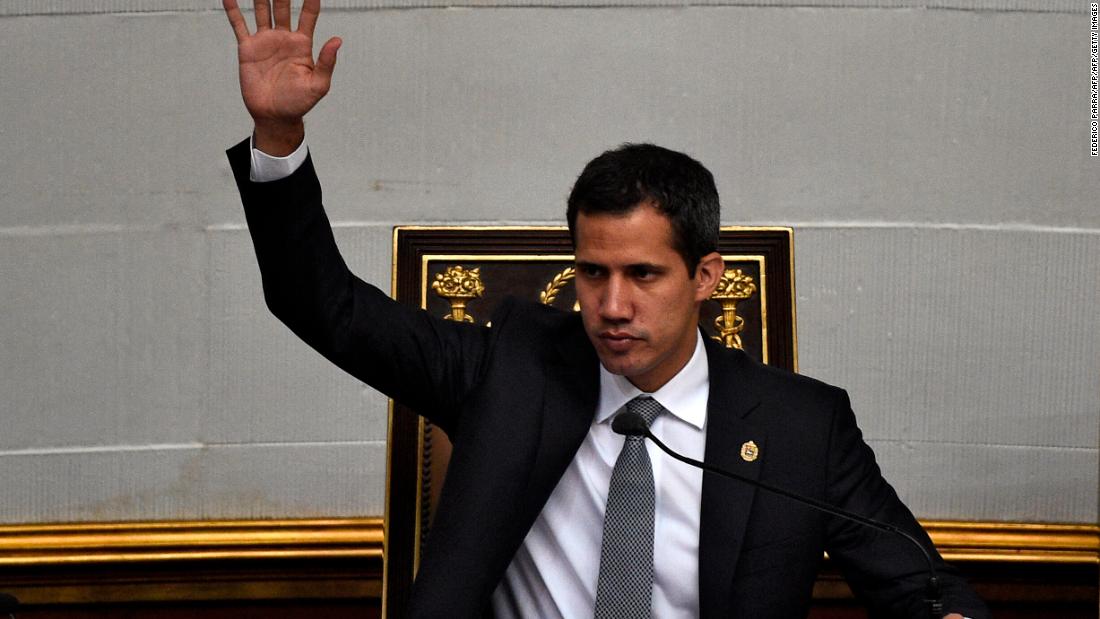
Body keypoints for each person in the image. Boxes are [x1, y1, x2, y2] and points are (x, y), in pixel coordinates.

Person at [222, 1, 988, 617]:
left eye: (644, 274)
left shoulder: (800, 429)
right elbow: (322, 306)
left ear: (706, 275)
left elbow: (920, 587)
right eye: (592, 272)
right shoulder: (509, 369)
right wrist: (279, 136)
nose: (611, 305)